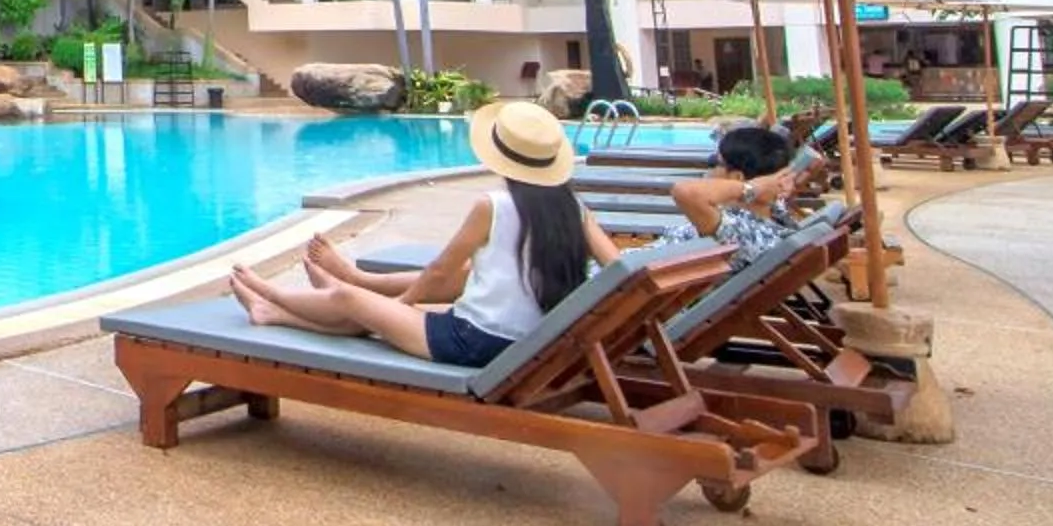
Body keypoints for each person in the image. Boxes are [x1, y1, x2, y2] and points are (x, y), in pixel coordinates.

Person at [228, 101, 621, 366]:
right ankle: (275, 313)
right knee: (379, 305)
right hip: (534, 340)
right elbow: (619, 269)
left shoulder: (493, 206)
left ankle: (274, 295)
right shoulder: (575, 209)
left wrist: (403, 304)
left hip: (474, 341)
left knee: (352, 299)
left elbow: (438, 273)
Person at [670, 123, 803, 265]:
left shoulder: (740, 231)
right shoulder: (773, 210)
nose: (711, 168)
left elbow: (685, 191)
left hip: (653, 274)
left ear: (738, 178)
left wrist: (752, 188)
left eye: (716, 162)